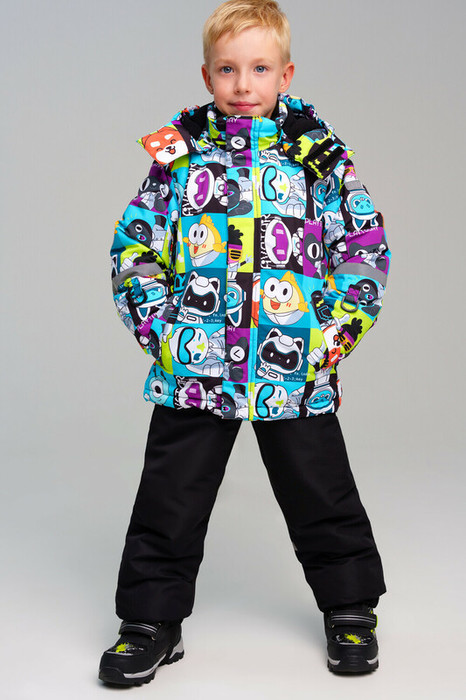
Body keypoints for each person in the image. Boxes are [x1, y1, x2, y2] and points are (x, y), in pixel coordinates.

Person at [99, 0, 390, 685]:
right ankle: (150, 622)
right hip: (195, 367)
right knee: (169, 498)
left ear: (285, 74)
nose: (242, 84)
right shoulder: (177, 157)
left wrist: (330, 336)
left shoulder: (318, 157)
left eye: (259, 69)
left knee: (322, 493)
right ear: (207, 76)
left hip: (294, 370)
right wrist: (162, 332)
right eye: (227, 69)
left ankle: (351, 610)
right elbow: (134, 246)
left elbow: (364, 247)